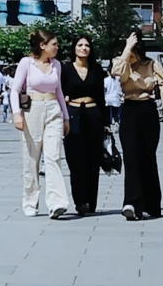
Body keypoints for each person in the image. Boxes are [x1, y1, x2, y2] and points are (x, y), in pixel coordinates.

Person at [112, 30, 163, 221]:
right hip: (128, 110)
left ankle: (151, 204)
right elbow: (116, 73)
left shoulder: (152, 65)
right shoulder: (122, 63)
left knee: (147, 158)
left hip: (148, 111)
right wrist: (127, 48)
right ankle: (131, 203)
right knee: (131, 157)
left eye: (134, 53)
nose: (132, 57)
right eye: (129, 53)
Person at [10, 29, 70, 219]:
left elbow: (59, 91)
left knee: (53, 157)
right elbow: (14, 90)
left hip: (53, 109)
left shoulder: (56, 65)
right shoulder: (26, 63)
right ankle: (30, 201)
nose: (57, 48)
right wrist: (16, 113)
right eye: (54, 44)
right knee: (32, 157)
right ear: (42, 45)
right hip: (32, 109)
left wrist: (66, 116)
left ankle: (56, 202)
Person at [61, 35, 107, 216]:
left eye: (87, 45)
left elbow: (102, 98)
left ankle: (91, 200)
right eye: (80, 45)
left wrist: (105, 123)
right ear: (74, 48)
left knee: (93, 160)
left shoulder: (96, 69)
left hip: (93, 113)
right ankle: (80, 201)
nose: (84, 48)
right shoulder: (65, 70)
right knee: (75, 160)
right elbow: (60, 94)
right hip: (72, 115)